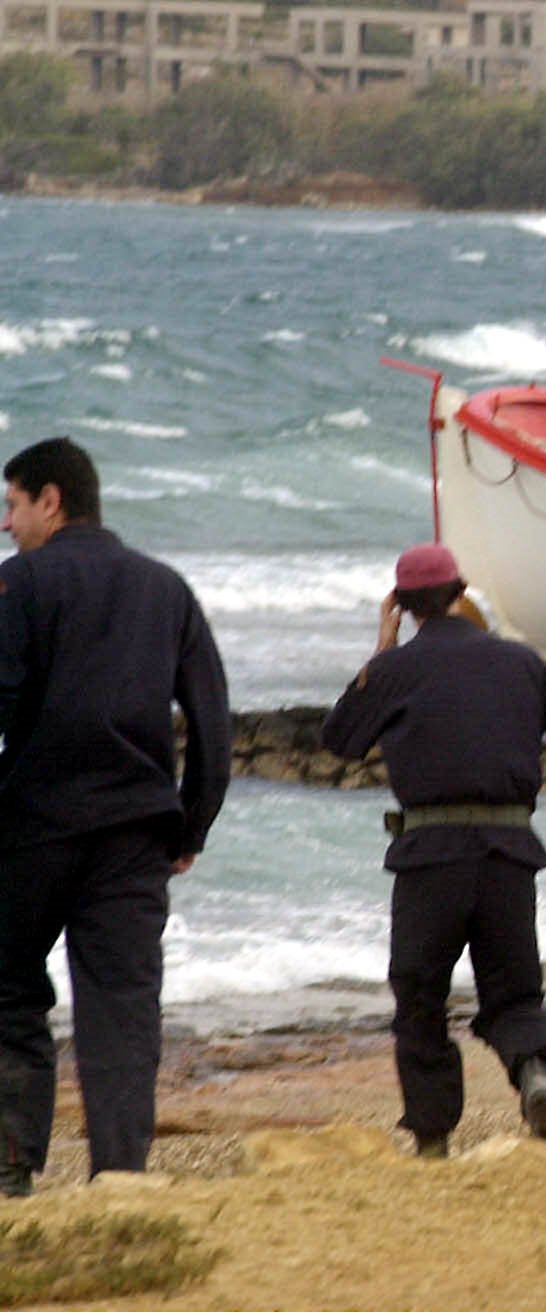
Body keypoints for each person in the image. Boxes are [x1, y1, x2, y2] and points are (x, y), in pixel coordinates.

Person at [0, 437, 231, 1198]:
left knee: (6, 986)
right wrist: (189, 828)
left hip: (33, 825)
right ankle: (122, 1173)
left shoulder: (20, 584)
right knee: (122, 1005)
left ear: (51, 501)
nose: (7, 524)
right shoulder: (166, 589)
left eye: (12, 504)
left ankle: (10, 1167)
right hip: (136, 833)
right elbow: (212, 724)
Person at [322, 543, 546, 1158]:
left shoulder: (396, 670)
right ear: (462, 591)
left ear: (402, 604)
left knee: (419, 996)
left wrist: (382, 649)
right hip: (508, 854)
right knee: (514, 994)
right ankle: (534, 1075)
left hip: (429, 859)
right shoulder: (522, 663)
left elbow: (341, 738)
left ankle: (431, 1137)